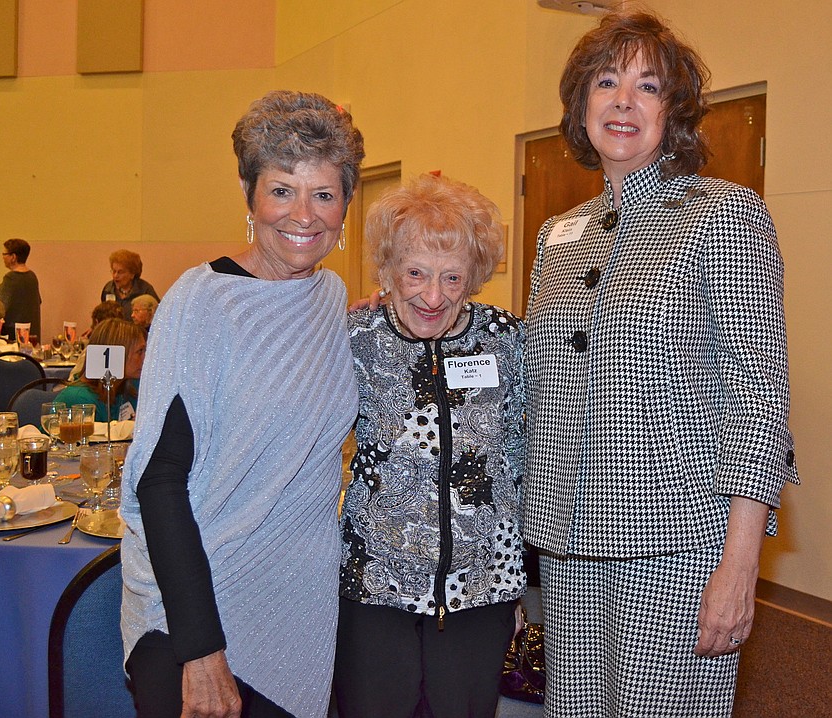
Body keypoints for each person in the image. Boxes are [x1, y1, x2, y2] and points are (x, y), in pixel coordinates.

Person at [524, 10, 799, 717]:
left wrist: (739, 566)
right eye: (606, 83)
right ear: (580, 104)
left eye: (647, 86)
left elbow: (758, 399)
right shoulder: (558, 235)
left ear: (672, 110)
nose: (623, 102)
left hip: (676, 549)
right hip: (567, 544)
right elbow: (532, 375)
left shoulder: (723, 215)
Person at [120, 90, 364, 718]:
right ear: (249, 196)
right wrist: (201, 650)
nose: (304, 215)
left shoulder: (330, 298)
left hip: (296, 609)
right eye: (282, 190)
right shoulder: (201, 303)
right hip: (196, 612)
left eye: (323, 194)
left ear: (346, 203)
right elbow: (159, 481)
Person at [335, 174, 526, 718]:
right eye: (415, 273)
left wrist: (515, 583)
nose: (433, 296)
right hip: (375, 585)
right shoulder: (354, 338)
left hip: (480, 587)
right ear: (388, 270)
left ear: (475, 277)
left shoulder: (506, 339)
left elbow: (520, 458)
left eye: (452, 277)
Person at [56, 318, 145, 422]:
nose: (145, 358)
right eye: (140, 351)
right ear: (116, 355)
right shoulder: (78, 399)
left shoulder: (130, 389)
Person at [0, 238, 42, 341]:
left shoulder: (11, 278)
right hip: (31, 334)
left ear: (13, 257)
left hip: (15, 335)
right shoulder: (32, 276)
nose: (3, 257)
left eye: (4, 254)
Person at [100, 249, 160, 320]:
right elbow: (103, 315)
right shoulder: (108, 289)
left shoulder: (145, 290)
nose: (115, 276)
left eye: (120, 272)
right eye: (114, 271)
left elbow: (158, 316)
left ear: (132, 274)